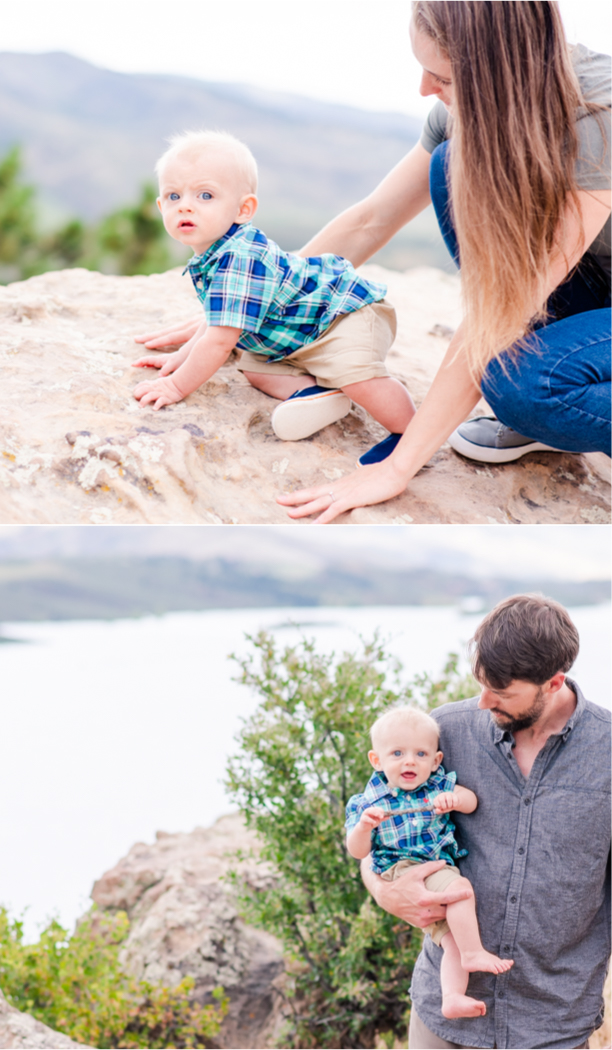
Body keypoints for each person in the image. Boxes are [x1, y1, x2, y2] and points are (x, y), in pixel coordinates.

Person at [137, 2, 610, 522]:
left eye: (442, 75)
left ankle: (564, 401)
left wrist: (400, 466)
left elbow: (502, 310)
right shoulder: (471, 107)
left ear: (499, 69)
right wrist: (250, 296)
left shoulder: (598, 120)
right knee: (448, 166)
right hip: (593, 286)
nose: (425, 89)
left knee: (519, 385)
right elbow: (372, 220)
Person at [359, 596, 609, 1049]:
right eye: (481, 682)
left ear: (553, 682)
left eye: (502, 691)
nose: (483, 700)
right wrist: (384, 891)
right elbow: (374, 832)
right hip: (443, 1015)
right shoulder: (442, 733)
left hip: (555, 1024)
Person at [133, 131, 417, 463]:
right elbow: (215, 322)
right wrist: (181, 357)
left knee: (357, 374)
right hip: (299, 335)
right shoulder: (216, 252)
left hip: (344, 317)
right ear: (160, 206)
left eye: (205, 195)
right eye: (172, 196)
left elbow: (219, 341)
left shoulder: (238, 258)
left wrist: (176, 386)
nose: (185, 205)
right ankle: (319, 393)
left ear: (243, 209)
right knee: (254, 367)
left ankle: (410, 434)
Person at [344, 706, 512, 1020]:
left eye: (421, 754)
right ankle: (474, 952)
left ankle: (451, 997)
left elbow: (471, 801)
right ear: (376, 760)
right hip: (401, 868)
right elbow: (357, 851)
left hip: (433, 866)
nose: (409, 761)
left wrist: (454, 800)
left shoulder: (437, 786)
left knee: (450, 941)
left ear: (435, 761)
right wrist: (364, 827)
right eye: (397, 753)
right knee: (460, 888)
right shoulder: (367, 802)